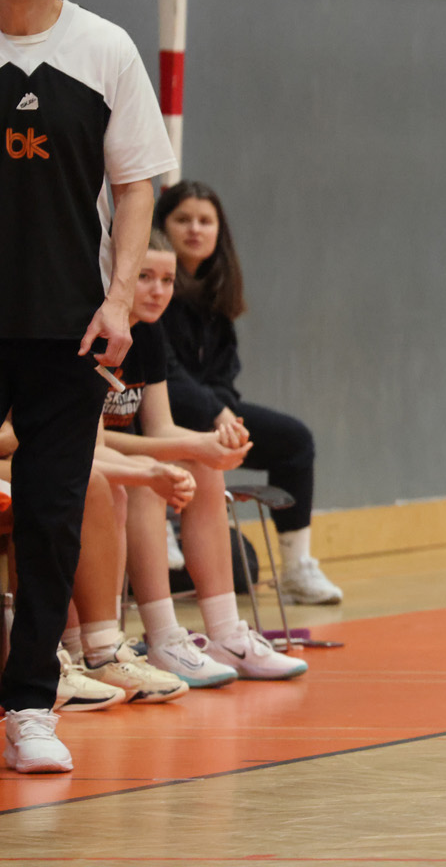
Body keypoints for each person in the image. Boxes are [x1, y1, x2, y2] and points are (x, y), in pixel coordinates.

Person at [0, 0, 176, 773]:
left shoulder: (104, 49)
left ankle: (31, 705)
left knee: (49, 519)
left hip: (65, 326)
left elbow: (138, 183)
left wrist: (117, 300)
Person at [98, 230, 308, 681]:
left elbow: (160, 426)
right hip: (91, 461)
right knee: (147, 478)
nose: (158, 291)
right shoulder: (97, 332)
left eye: (167, 280)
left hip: (124, 457)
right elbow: (90, 441)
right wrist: (192, 445)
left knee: (205, 470)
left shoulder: (148, 333)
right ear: (118, 275)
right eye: (144, 277)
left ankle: (227, 634)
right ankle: (163, 638)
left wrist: (210, 445)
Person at [156, 180, 342, 605]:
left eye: (205, 221)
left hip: (211, 415)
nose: (195, 229)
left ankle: (296, 568)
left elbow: (224, 373)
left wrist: (222, 415)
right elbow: (164, 373)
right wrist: (215, 412)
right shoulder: (155, 290)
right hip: (160, 416)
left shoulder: (216, 295)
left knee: (294, 440)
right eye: (183, 219)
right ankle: (160, 526)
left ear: (219, 231)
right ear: (163, 227)